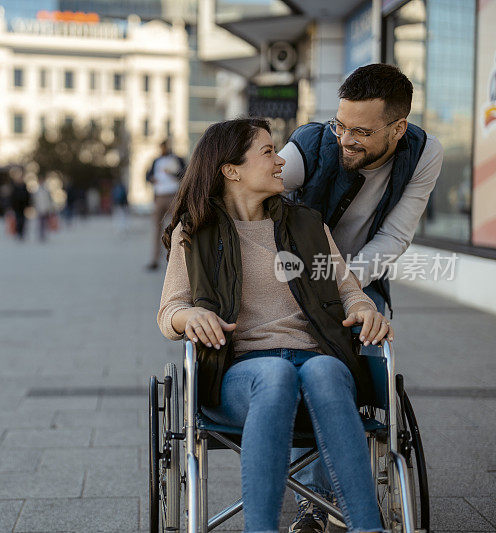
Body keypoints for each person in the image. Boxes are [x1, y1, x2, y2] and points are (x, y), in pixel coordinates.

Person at [158, 118, 391, 533]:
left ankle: (368, 528)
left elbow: (348, 290)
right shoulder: (194, 232)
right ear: (232, 170)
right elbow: (169, 312)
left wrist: (366, 310)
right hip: (241, 372)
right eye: (268, 152)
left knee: (323, 369)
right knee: (276, 373)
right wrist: (190, 314)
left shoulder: (307, 225)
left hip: (317, 357)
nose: (281, 160)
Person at [278, 63, 443, 533]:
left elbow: (395, 235)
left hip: (362, 270)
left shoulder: (425, 152)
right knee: (302, 352)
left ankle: (333, 479)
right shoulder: (310, 146)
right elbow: (251, 190)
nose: (346, 139)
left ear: (398, 128)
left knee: (364, 350)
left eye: (362, 132)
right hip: (297, 272)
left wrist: (346, 287)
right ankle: (315, 497)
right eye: (341, 124)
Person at [146, 139, 185, 270]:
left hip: (173, 195)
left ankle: (178, 260)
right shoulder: (156, 161)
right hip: (159, 196)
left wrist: (172, 173)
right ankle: (155, 259)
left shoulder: (177, 159)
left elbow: (184, 174)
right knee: (156, 228)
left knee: (177, 227)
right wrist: (152, 179)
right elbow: (148, 175)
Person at [9, 170, 31, 240]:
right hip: (17, 207)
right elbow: (12, 197)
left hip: (23, 207)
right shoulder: (15, 187)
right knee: (18, 220)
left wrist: (28, 205)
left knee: (23, 221)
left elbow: (28, 197)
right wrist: (12, 206)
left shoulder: (24, 187)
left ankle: (22, 233)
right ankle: (18, 233)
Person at [33, 175, 54, 242]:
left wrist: (49, 208)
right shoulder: (36, 191)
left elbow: (49, 200)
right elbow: (35, 201)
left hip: (46, 209)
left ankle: (44, 235)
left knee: (45, 223)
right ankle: (40, 235)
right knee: (40, 223)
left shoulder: (46, 191)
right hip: (39, 209)